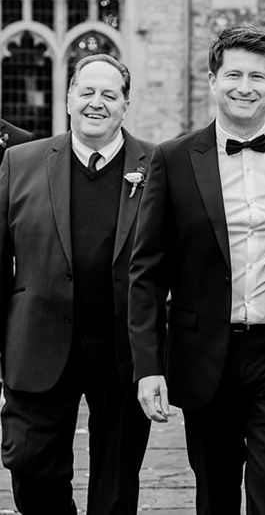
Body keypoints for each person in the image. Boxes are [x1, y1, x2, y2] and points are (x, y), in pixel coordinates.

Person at [128, 25, 265, 515]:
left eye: (256, 76)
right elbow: (147, 272)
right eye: (232, 75)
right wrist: (148, 367)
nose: (244, 86)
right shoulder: (173, 158)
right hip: (205, 350)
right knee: (216, 489)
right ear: (212, 81)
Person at [0, 54, 155, 515]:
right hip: (38, 339)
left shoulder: (158, 165)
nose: (96, 103)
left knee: (115, 486)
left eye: (109, 95)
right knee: (29, 464)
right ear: (68, 97)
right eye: (87, 91)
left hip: (122, 347)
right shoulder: (19, 162)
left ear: (125, 105)